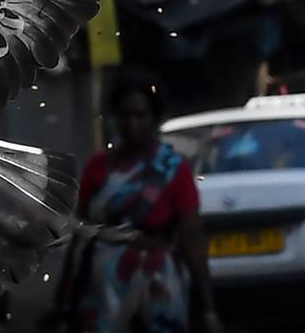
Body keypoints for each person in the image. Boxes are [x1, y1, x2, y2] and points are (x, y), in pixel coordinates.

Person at [51, 69, 222, 333]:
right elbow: (80, 234)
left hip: (157, 285)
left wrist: (208, 308)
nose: (132, 124)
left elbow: (192, 239)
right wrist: (63, 300)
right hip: (102, 288)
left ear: (153, 118)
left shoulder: (172, 170)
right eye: (124, 115)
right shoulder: (98, 168)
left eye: (140, 115)